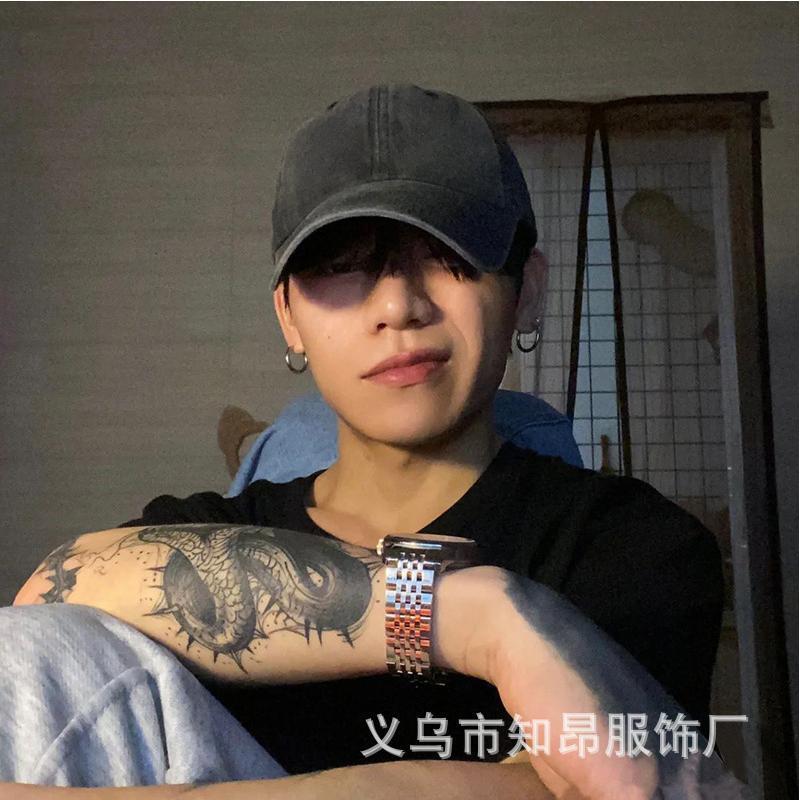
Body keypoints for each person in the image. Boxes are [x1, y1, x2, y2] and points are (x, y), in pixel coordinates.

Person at [4, 84, 739, 799]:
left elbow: (587, 784)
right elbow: (48, 595)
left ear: (527, 291)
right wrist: (464, 614)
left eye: (446, 253)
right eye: (339, 265)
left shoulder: (633, 546)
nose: (398, 305)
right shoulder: (217, 532)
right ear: (288, 317)